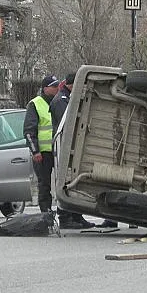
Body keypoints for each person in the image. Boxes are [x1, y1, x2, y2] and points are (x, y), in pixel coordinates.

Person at [50, 72, 117, 230]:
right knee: (66, 182)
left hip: (68, 147)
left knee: (71, 182)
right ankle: (66, 217)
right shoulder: (62, 100)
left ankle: (75, 216)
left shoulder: (67, 98)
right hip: (64, 148)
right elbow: (69, 124)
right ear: (71, 84)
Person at [24, 75, 60, 215]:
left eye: (57, 86)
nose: (57, 88)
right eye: (54, 86)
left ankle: (61, 213)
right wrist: (35, 151)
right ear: (45, 89)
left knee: (61, 184)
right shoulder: (35, 104)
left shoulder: (57, 102)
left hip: (56, 151)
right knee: (44, 184)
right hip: (42, 153)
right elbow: (29, 131)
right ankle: (46, 213)